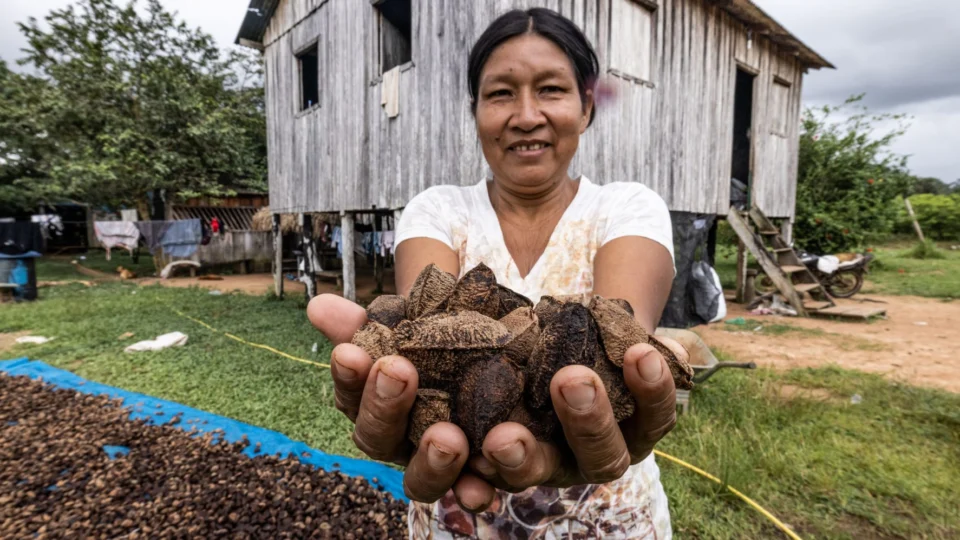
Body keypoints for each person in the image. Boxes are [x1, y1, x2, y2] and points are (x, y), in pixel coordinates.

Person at [308, 8, 685, 538]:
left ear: (585, 108)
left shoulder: (628, 207)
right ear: (475, 110)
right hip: (456, 518)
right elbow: (422, 327)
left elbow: (616, 346)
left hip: (610, 519)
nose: (526, 115)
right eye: (501, 93)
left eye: (551, 90)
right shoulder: (438, 210)